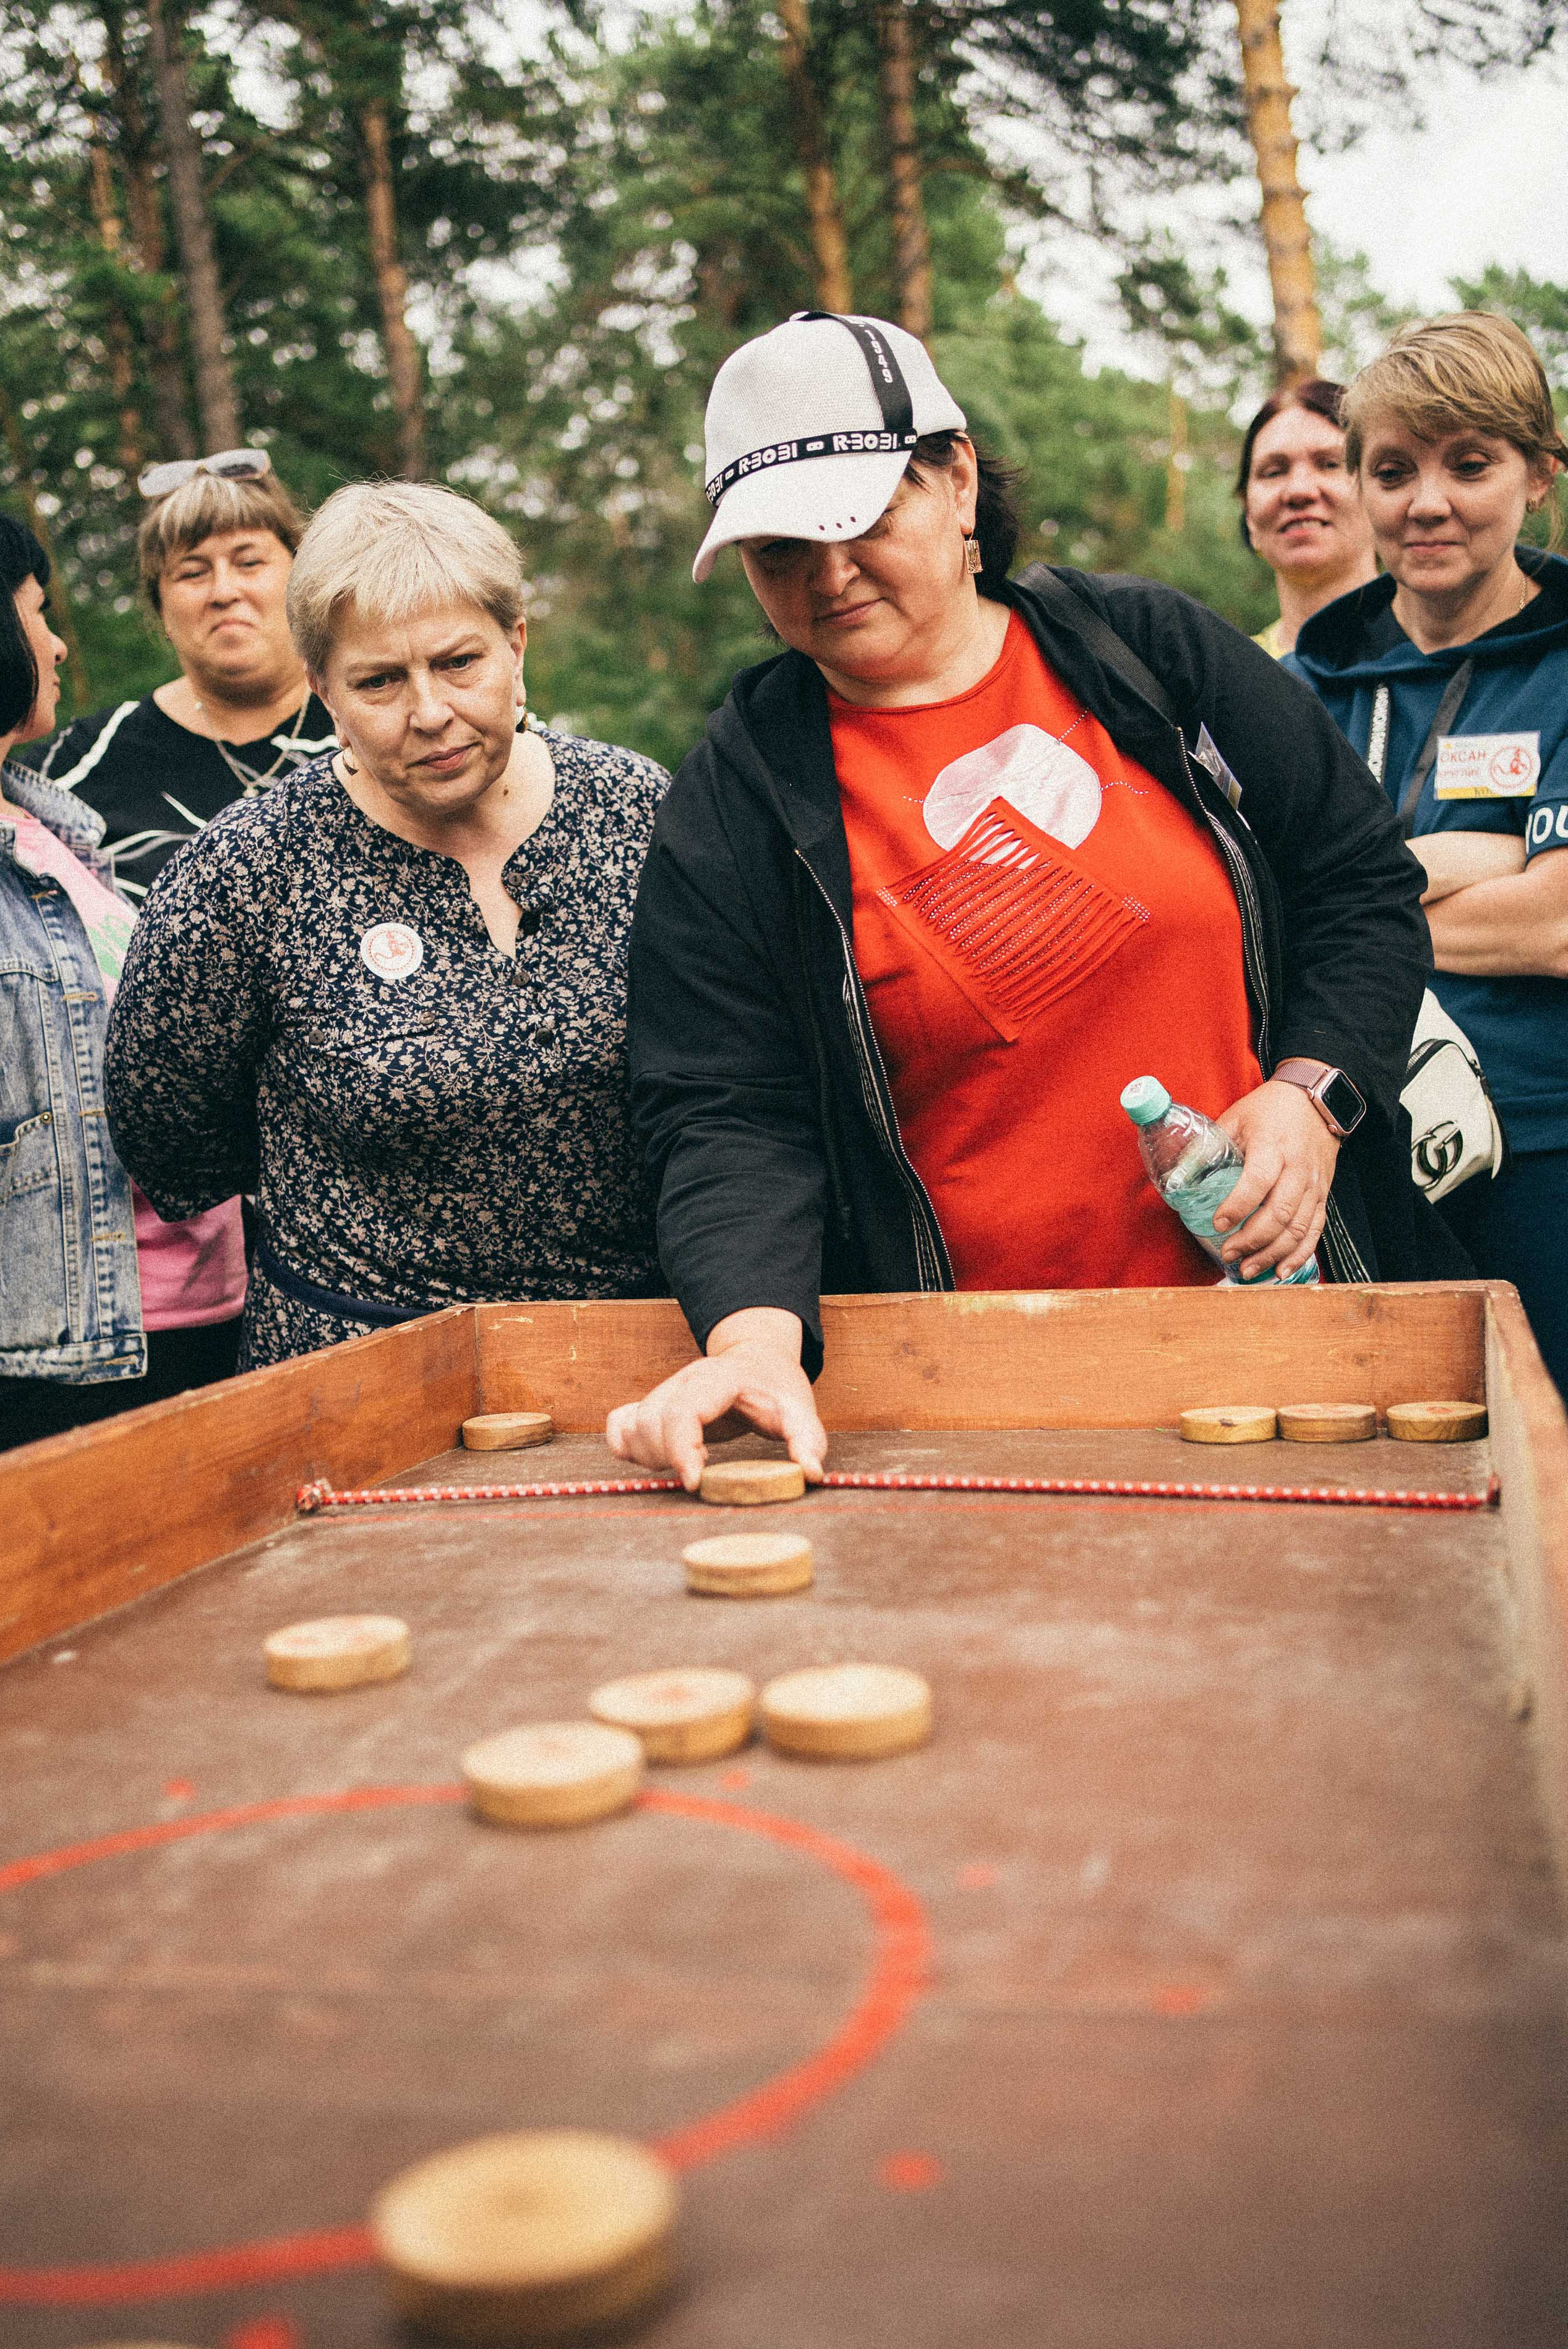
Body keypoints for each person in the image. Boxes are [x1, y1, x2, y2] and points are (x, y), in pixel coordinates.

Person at [606, 311, 1454, 1486]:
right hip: (974, 1393)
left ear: (955, 481)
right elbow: (721, 1104)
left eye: (858, 521)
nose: (829, 573)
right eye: (779, 550)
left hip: (1288, 1332)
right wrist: (755, 1338)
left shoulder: (1145, 649)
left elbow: (1361, 885)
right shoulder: (741, 783)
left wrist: (1312, 1097)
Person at [104, 481, 667, 1368]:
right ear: (323, 686)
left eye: (459, 663)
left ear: (516, 644)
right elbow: (172, 1139)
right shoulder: (246, 874)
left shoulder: (638, 811)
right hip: (360, 1370)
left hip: (643, 1357)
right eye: (379, 681)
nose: (429, 712)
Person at [1287, 312, 1568, 1393]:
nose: (1428, 502)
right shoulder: (1304, 689)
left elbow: (1552, 928)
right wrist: (1485, 857)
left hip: (1541, 1147)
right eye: (1394, 469)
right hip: (1353, 1150)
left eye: (1472, 464)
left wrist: (1348, 910)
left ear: (1538, 474)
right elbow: (1261, 909)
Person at [0, 507, 244, 1455]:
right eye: (34, 612)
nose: (55, 643)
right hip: (55, 1366)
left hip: (191, 1325)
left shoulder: (61, 832)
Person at [20, 451, 338, 896]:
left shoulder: (374, 728)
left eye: (249, 563)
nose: (224, 591)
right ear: (161, 609)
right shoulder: (78, 766)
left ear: (301, 582)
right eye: (193, 573)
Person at [1236, 379, 1377, 657]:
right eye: (1274, 472)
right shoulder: (1228, 678)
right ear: (1250, 517)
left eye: (1330, 464)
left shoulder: (1443, 654)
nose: (1299, 491)